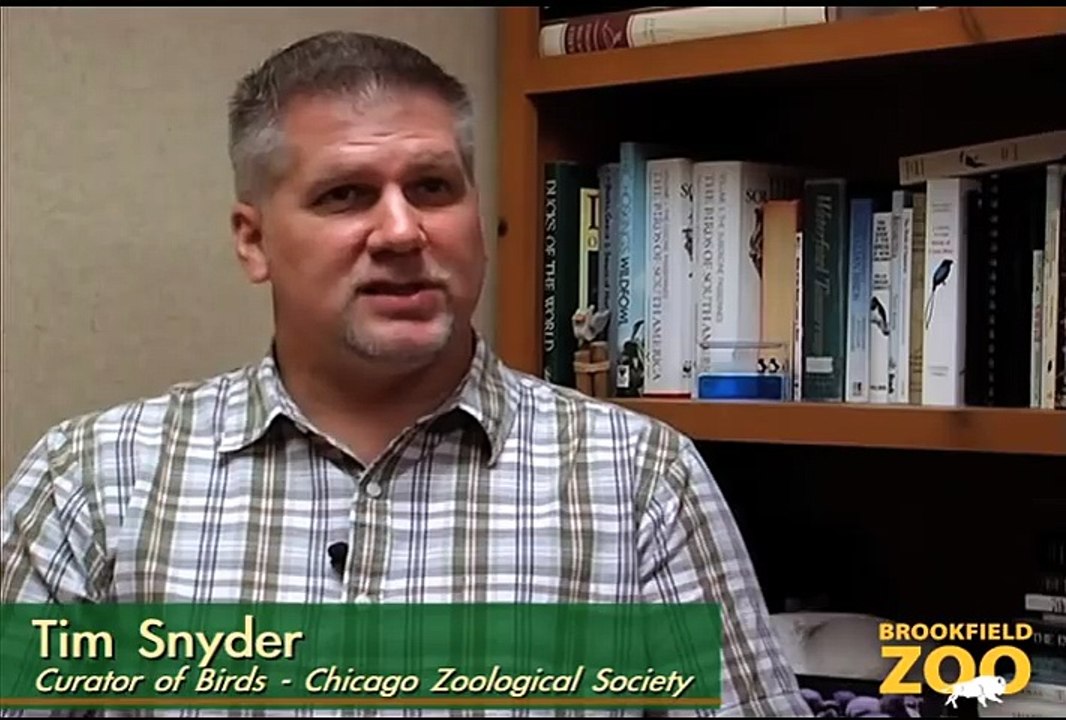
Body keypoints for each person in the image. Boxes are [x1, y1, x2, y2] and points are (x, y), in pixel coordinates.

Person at [0, 31, 811, 717]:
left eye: (431, 187)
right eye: (345, 194)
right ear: (253, 241)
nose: (401, 231)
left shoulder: (640, 480)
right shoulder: (95, 483)